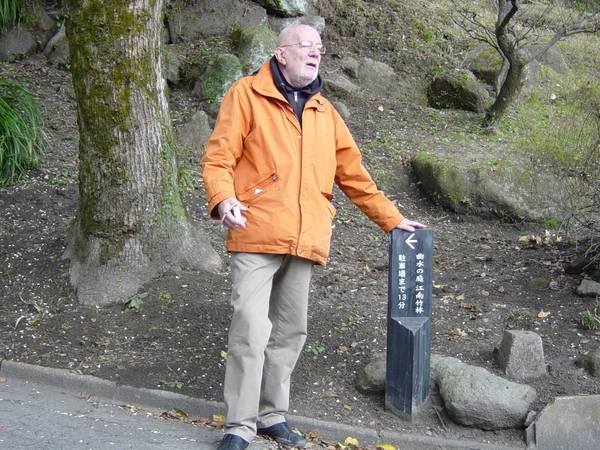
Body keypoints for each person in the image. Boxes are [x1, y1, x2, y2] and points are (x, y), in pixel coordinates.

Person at [201, 24, 426, 450]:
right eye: (305, 46)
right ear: (281, 54)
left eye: (319, 48)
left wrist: (392, 220)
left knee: (290, 331)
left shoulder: (325, 111)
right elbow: (218, 157)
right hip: (256, 229)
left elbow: (355, 176)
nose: (315, 53)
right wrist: (224, 199)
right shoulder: (246, 94)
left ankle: (271, 415)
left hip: (307, 237)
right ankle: (239, 425)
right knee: (250, 326)